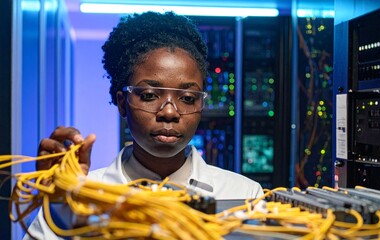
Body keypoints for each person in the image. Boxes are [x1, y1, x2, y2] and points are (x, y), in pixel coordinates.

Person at [25, 11, 263, 239]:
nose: (169, 112)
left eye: (188, 98)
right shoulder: (80, 193)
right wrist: (59, 205)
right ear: (122, 103)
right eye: (150, 95)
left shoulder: (244, 195)